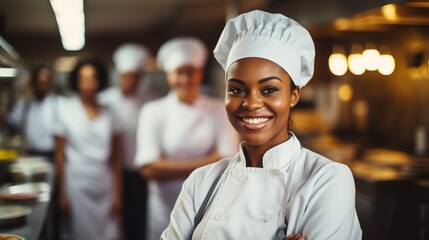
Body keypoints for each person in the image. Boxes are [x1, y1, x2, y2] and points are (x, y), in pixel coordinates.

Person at [161, 10, 362, 240]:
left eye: (269, 89)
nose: (251, 103)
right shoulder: (201, 182)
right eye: (237, 89)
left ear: (294, 95)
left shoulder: (326, 180)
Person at [134, 36, 239, 240]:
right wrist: (210, 160)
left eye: (191, 72)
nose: (185, 79)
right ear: (168, 75)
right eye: (179, 73)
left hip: (208, 203)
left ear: (200, 73)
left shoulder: (217, 109)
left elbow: (229, 164)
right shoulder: (153, 111)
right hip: (165, 205)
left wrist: (167, 165)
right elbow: (148, 169)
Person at [55, 58, 121, 240]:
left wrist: (118, 194)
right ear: (76, 81)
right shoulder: (66, 110)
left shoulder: (110, 112)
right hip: (76, 185)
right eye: (83, 78)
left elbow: (116, 157)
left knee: (108, 233)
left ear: (100, 81)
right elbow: (60, 155)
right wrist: (62, 194)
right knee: (79, 233)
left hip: (104, 183)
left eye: (93, 78)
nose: (88, 83)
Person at [99, 43, 157, 240]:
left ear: (141, 78)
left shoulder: (150, 102)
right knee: (112, 219)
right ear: (118, 76)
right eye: (126, 76)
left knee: (138, 219)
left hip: (140, 172)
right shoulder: (104, 101)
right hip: (110, 172)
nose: (130, 81)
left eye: (134, 76)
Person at [8, 64, 57, 159]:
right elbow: (11, 122)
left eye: (45, 83)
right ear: (33, 83)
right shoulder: (24, 105)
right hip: (30, 156)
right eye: (39, 83)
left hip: (52, 155)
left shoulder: (57, 105)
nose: (42, 87)